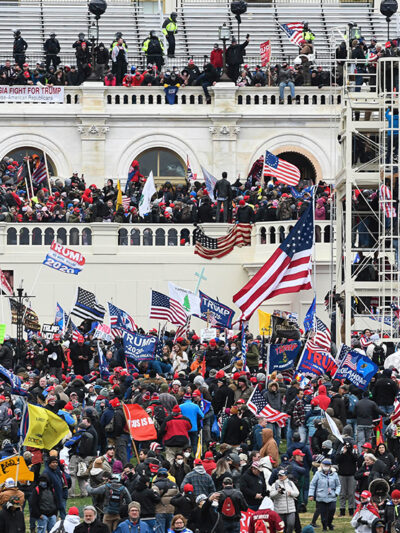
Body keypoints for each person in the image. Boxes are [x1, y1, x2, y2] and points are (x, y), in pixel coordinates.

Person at [308, 458, 340, 531]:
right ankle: (324, 527)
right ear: (322, 466)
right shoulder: (318, 473)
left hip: (332, 496)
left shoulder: (334, 474)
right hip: (321, 496)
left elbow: (338, 485)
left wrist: (336, 493)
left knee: (332, 511)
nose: (326, 466)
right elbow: (312, 484)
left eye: (328, 465)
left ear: (330, 466)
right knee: (323, 513)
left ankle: (329, 523)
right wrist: (311, 495)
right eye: (325, 465)